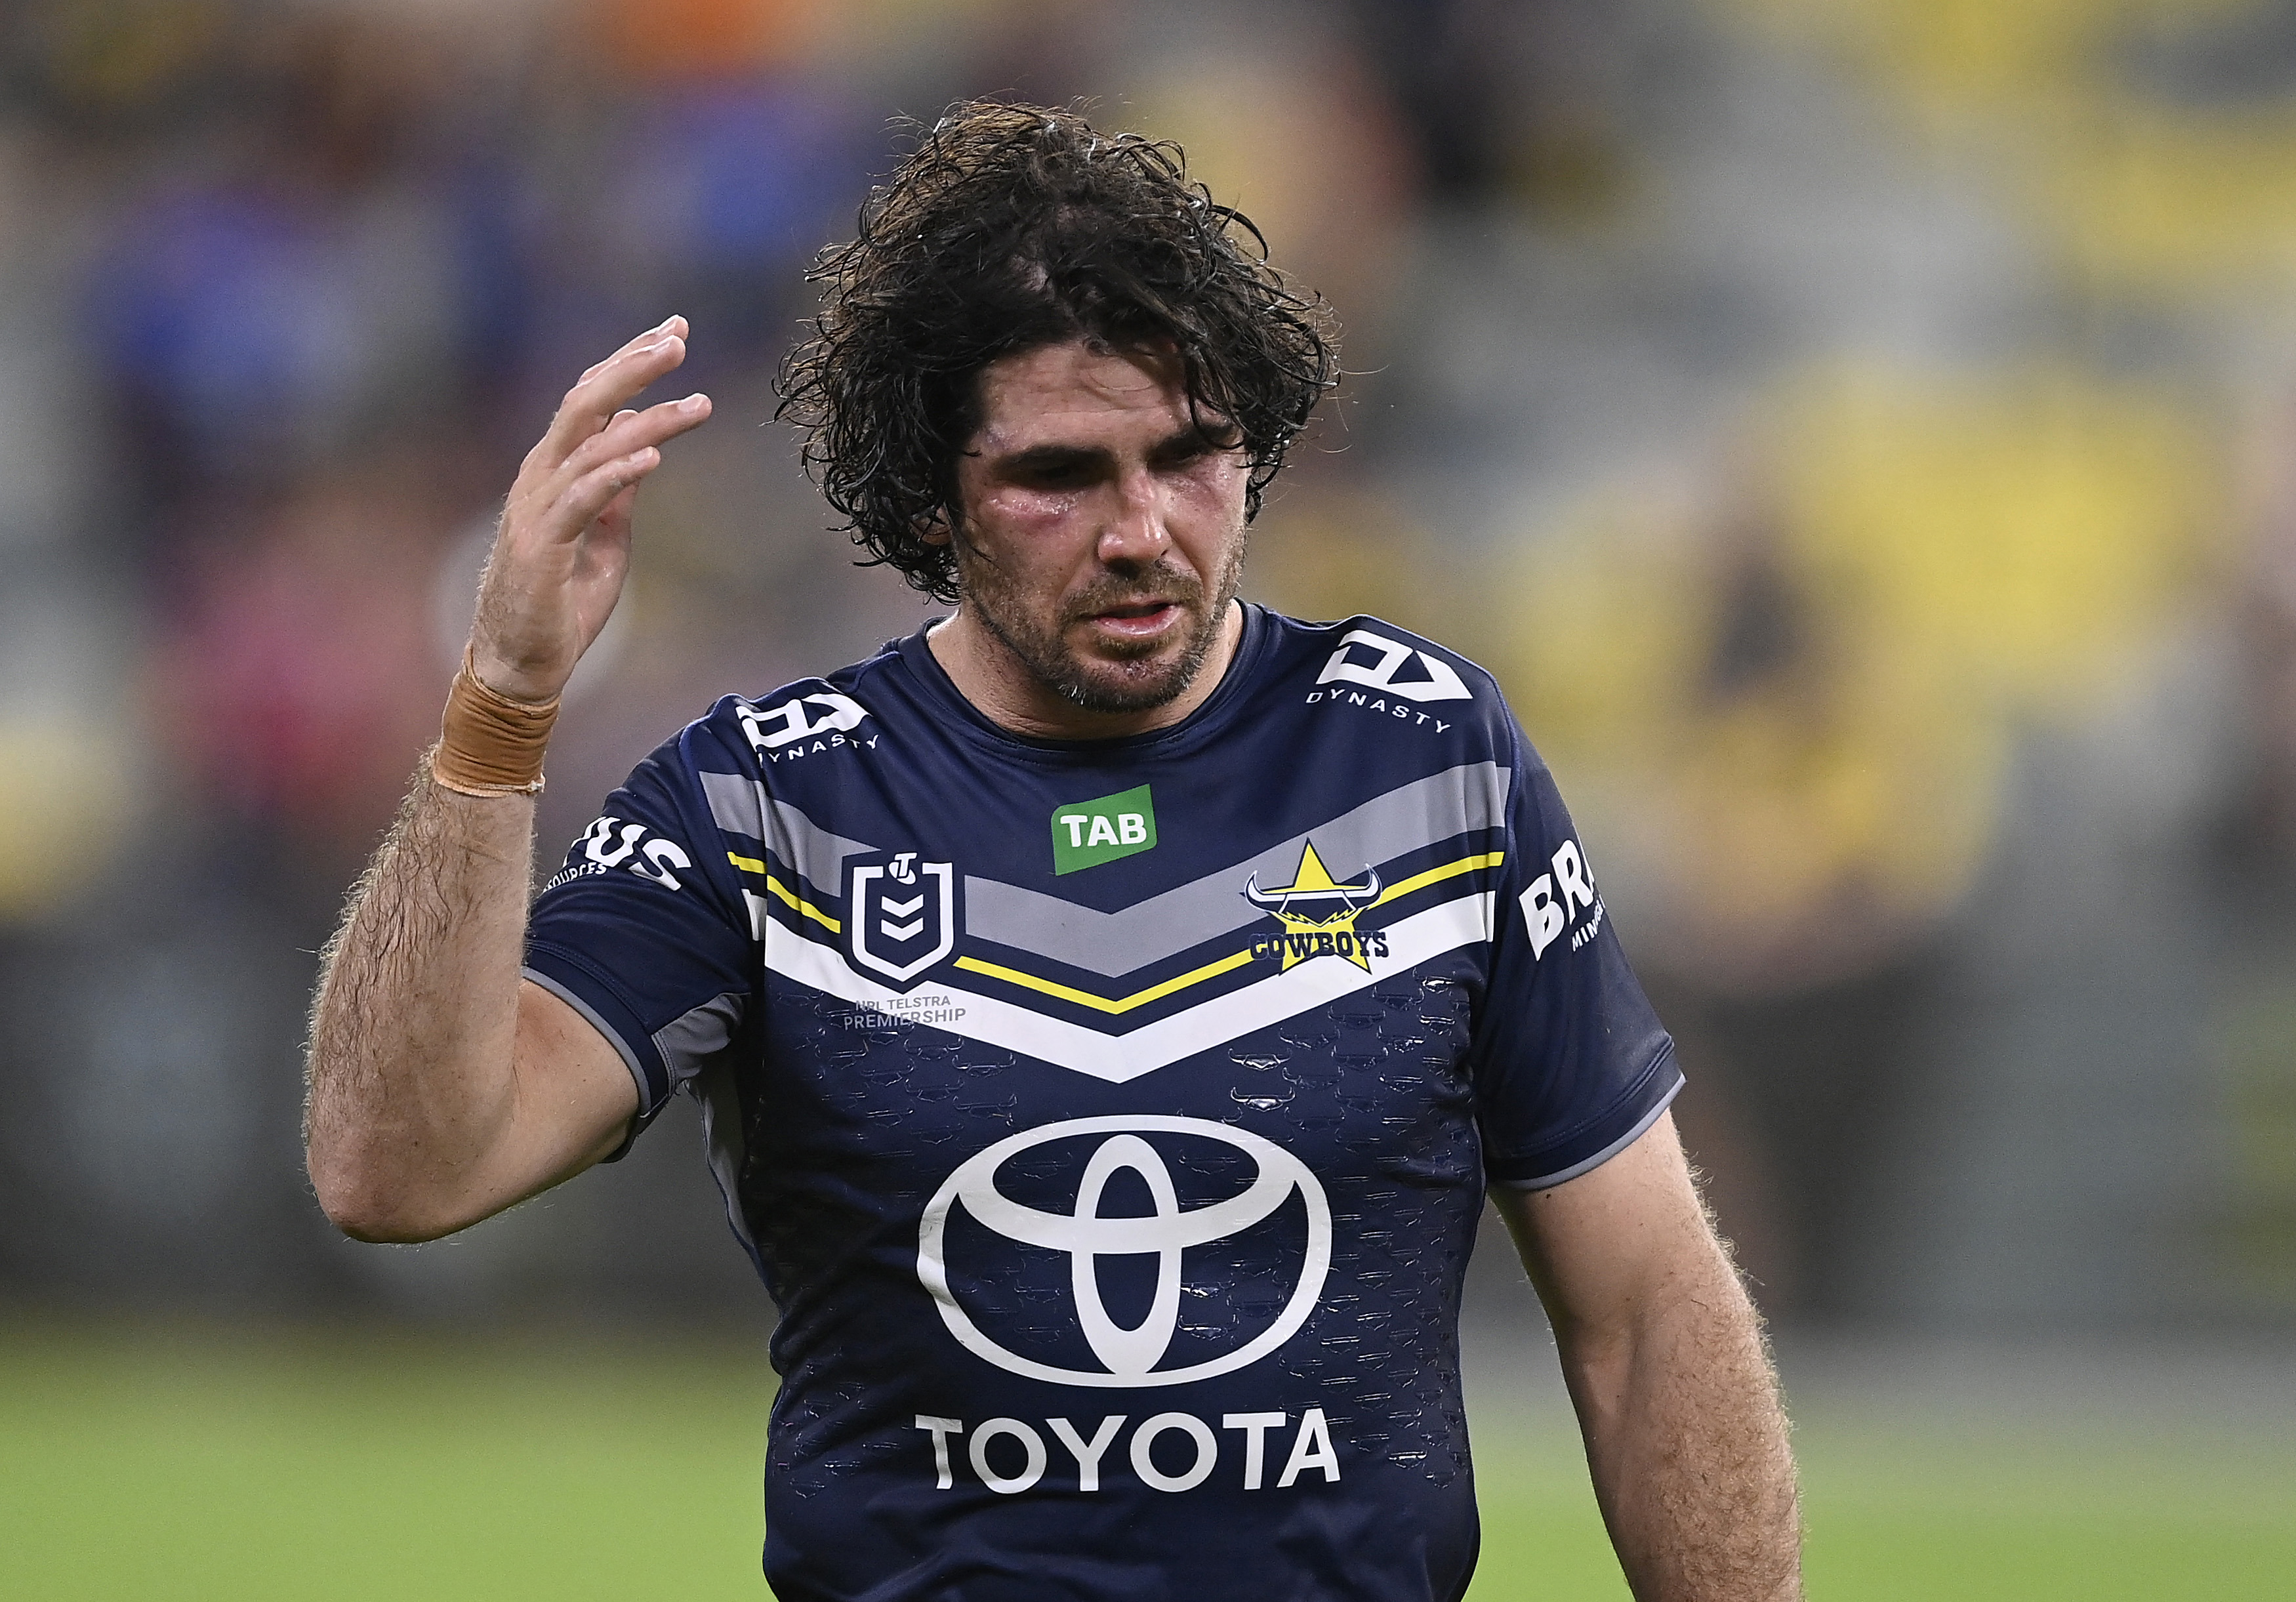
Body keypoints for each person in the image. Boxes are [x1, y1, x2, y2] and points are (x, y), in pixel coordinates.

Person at [305, 102, 1799, 1601]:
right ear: (929, 498)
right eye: (1060, 476)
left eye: (1192, 455)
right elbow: (399, 1168)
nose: (1144, 527)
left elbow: (1650, 1314)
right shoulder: (762, 806)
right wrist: (503, 706)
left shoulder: (1422, 761)